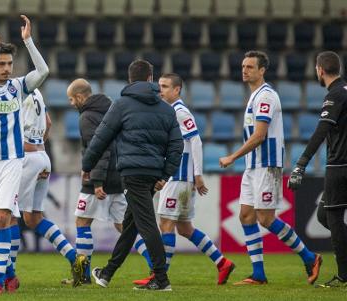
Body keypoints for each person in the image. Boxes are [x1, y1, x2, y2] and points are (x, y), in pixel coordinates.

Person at [219, 50, 322, 285]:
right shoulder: (254, 96)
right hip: (253, 166)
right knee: (246, 215)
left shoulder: (266, 96)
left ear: (262, 70)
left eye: (250, 67)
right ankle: (259, 274)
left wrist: (232, 157)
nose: (244, 70)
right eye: (243, 66)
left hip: (266, 165)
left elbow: (259, 136)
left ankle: (309, 257)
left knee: (265, 219)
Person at [84, 59, 183, 291]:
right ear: (151, 78)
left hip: (132, 173)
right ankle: (107, 273)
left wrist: (87, 165)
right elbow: (177, 146)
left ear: (129, 79)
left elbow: (101, 137)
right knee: (131, 225)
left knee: (146, 224)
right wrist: (165, 174)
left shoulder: (121, 105)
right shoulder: (167, 109)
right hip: (153, 173)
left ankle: (161, 278)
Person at [0, 16, 48, 294]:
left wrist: (28, 41)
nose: (5, 68)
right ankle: (10, 274)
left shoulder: (18, 86)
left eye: (9, 64)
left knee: (3, 216)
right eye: (1, 64)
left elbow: (43, 70)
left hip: (12, 161)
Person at [133, 73, 235, 286]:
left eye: (165, 86)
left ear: (177, 89)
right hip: (180, 177)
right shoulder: (171, 112)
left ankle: (159, 277)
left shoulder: (180, 112)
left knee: (166, 224)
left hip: (179, 176)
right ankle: (222, 262)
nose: (160, 90)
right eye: (159, 86)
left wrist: (198, 175)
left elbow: (195, 141)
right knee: (185, 228)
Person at [288, 51, 347, 288]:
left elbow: (321, 131)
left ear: (320, 70)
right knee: (325, 216)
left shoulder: (334, 95)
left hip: (339, 165)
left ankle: (343, 277)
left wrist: (300, 164)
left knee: (331, 217)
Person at [17, 88, 86, 287]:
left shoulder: (15, 92)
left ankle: (6, 273)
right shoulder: (37, 92)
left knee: (9, 214)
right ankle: (74, 257)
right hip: (42, 157)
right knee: (33, 218)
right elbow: (48, 122)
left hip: (27, 159)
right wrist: (39, 147)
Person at [64, 78, 125, 286]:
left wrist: (97, 181)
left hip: (99, 178)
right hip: (119, 174)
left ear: (80, 97)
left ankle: (82, 275)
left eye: (72, 99)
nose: (71, 104)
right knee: (126, 226)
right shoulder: (111, 109)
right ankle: (157, 269)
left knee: (82, 221)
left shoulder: (87, 117)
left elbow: (99, 149)